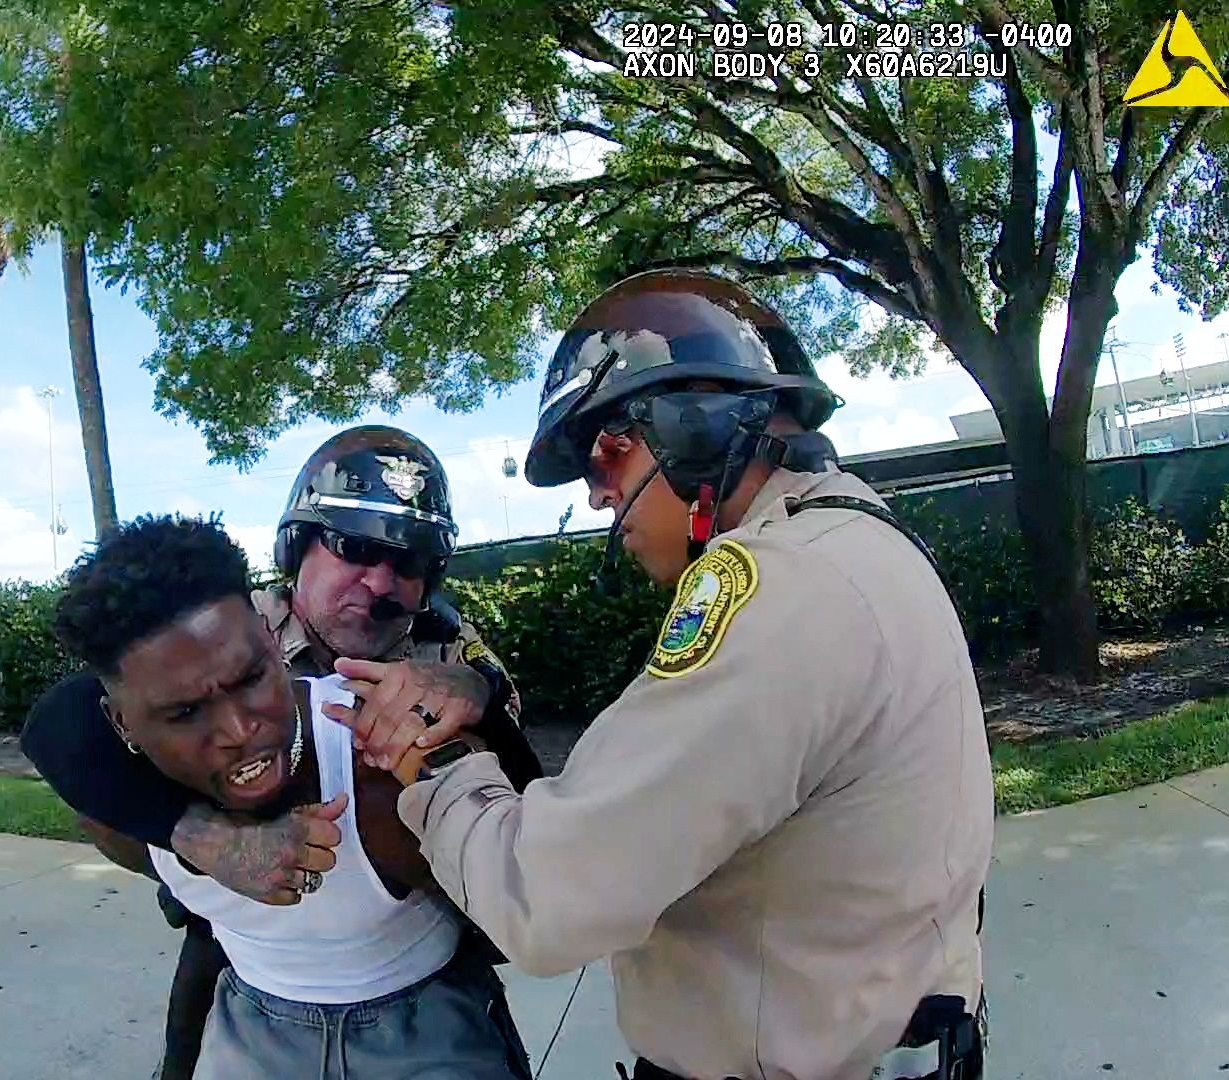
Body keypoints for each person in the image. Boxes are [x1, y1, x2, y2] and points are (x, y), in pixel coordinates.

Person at [360, 271, 994, 1080]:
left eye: (605, 460)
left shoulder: (776, 592)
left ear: (690, 429)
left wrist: (429, 757)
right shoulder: (860, 541)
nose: (600, 500)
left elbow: (545, 897)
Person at [20, 425, 541, 1079]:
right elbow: (63, 722)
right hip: (248, 954)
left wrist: (474, 693)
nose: (379, 582)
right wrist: (196, 834)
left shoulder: (451, 651)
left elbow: (518, 824)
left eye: (408, 561)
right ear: (298, 548)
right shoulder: (227, 615)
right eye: (353, 547)